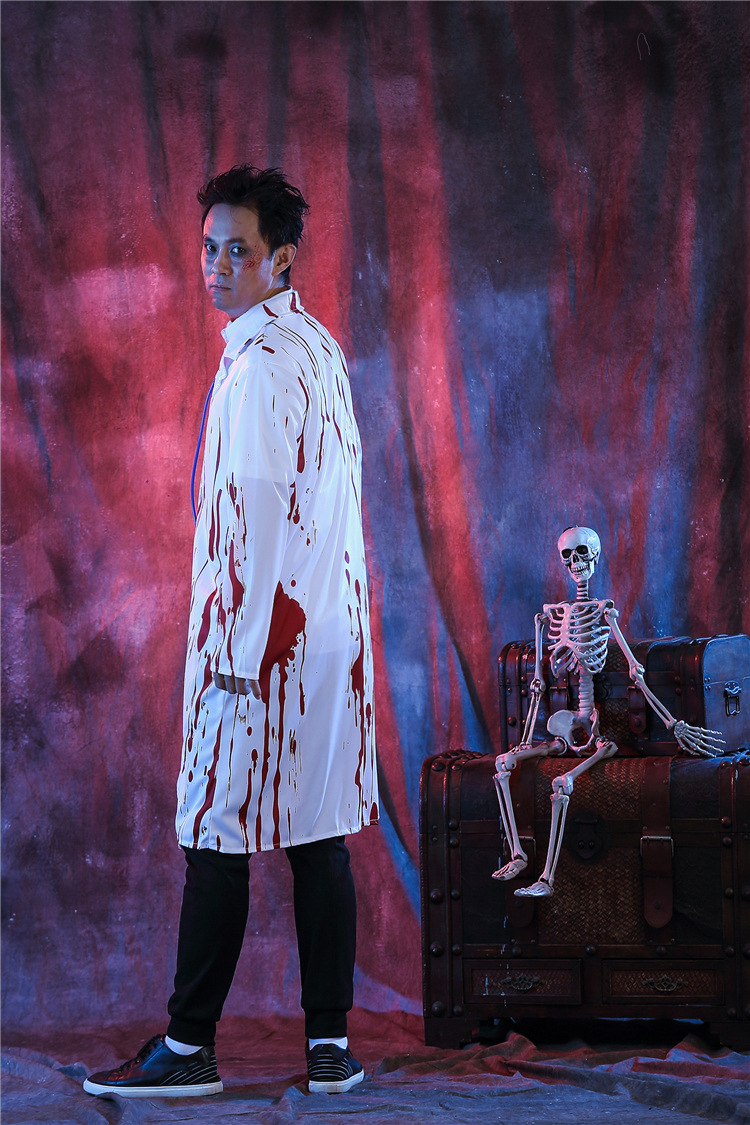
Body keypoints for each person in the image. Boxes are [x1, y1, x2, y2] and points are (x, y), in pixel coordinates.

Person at [84, 165, 378, 1099]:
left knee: (216, 828)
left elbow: (253, 523)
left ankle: (187, 1047)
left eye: (236, 250)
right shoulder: (318, 346)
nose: (215, 266)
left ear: (280, 258)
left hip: (263, 644)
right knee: (318, 834)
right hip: (330, 639)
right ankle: (331, 1046)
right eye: (209, 248)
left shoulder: (257, 369)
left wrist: (240, 662)